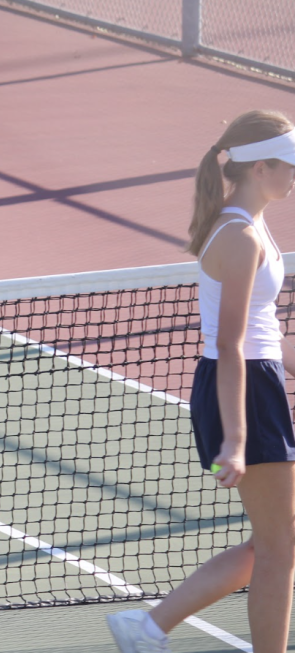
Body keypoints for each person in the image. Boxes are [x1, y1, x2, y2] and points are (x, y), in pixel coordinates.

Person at [107, 110, 295, 653]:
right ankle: (150, 628)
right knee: (279, 548)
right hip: (241, 394)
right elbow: (232, 345)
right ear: (261, 168)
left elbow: (263, 332)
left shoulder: (253, 227)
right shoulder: (238, 235)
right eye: (289, 166)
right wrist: (235, 441)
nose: (294, 177)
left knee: (276, 543)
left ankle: (145, 627)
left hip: (253, 384)